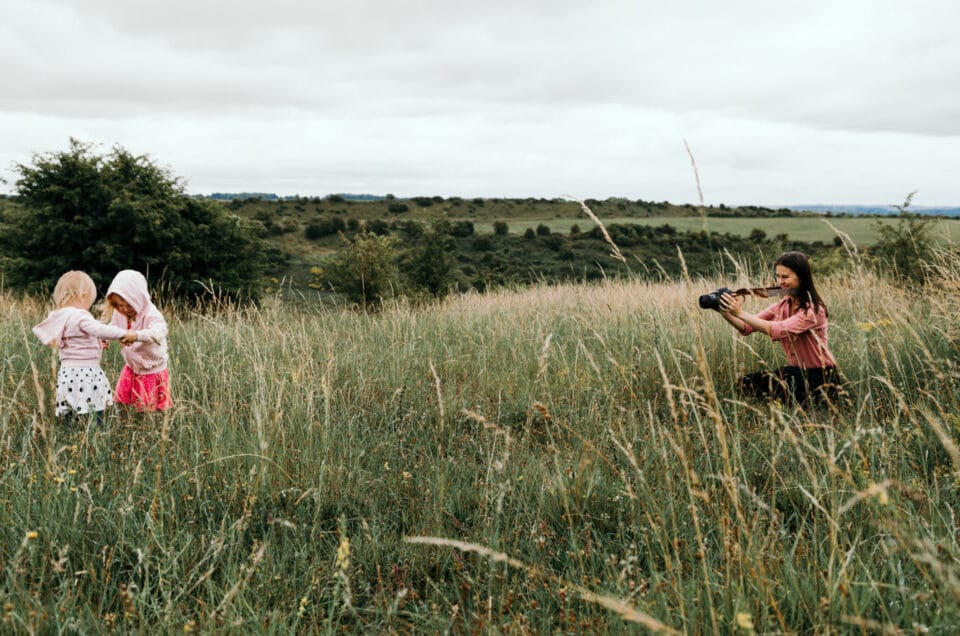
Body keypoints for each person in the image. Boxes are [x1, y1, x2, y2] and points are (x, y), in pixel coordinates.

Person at [716, 251, 840, 405]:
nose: (780, 282)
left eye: (785, 277)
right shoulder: (782, 305)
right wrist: (723, 310)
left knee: (787, 381)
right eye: (778, 276)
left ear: (801, 277)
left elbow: (777, 329)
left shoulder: (814, 310)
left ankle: (802, 405)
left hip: (821, 378)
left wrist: (740, 312)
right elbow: (746, 327)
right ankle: (787, 405)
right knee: (744, 383)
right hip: (797, 373)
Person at [32, 271, 138, 425]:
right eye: (89, 300)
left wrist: (98, 343)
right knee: (95, 409)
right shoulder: (80, 316)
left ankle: (71, 436)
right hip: (86, 373)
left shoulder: (62, 316)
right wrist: (125, 333)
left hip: (67, 374)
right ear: (83, 295)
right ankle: (95, 435)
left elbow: (77, 341)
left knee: (71, 408)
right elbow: (99, 330)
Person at [103, 270, 172, 412]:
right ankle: (124, 424)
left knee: (147, 409)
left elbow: (160, 331)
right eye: (118, 305)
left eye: (128, 305)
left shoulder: (151, 313)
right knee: (122, 401)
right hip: (132, 367)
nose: (124, 309)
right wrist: (106, 338)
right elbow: (114, 327)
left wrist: (136, 335)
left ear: (138, 299)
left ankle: (149, 428)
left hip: (151, 369)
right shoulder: (120, 313)